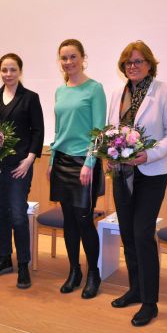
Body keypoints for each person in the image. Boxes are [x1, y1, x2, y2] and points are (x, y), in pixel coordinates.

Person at [107, 40, 167, 327]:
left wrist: (148, 155)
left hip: (151, 172)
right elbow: (110, 130)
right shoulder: (118, 92)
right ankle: (135, 289)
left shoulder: (165, 91)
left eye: (138, 61)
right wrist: (108, 154)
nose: (133, 66)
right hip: (122, 172)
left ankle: (150, 302)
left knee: (142, 233)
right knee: (127, 233)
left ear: (150, 64)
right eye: (128, 62)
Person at [48, 39, 106, 298]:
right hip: (61, 161)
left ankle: (94, 273)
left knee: (84, 220)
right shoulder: (61, 91)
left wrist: (89, 163)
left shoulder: (95, 89)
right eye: (64, 58)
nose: (68, 62)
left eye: (73, 57)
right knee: (68, 221)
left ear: (83, 58)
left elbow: (99, 132)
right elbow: (59, 130)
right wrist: (51, 161)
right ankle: (74, 271)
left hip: (84, 162)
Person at [0, 53, 44, 289]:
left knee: (18, 215)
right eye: (4, 70)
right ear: (0, 71)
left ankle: (23, 265)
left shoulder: (29, 98)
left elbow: (38, 131)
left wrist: (29, 161)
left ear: (20, 71)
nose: (8, 74)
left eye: (13, 70)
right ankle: (5, 259)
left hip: (20, 166)